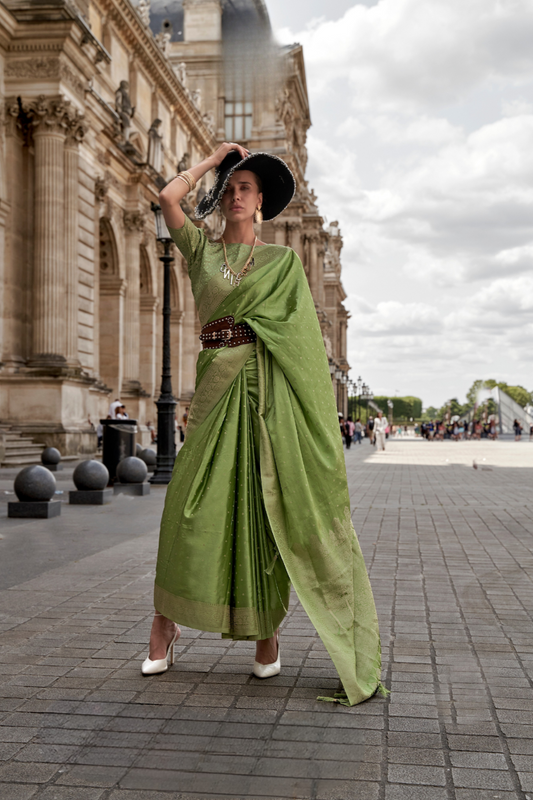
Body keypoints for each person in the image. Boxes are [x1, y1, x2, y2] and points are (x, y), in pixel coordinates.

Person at [143, 142, 384, 706]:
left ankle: (266, 637)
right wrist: (212, 160)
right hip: (215, 391)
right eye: (229, 187)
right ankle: (165, 625)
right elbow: (166, 196)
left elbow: (300, 345)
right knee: (187, 507)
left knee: (261, 513)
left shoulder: (283, 264)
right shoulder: (200, 251)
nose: (234, 194)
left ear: (261, 203)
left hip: (267, 397)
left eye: (245, 188)